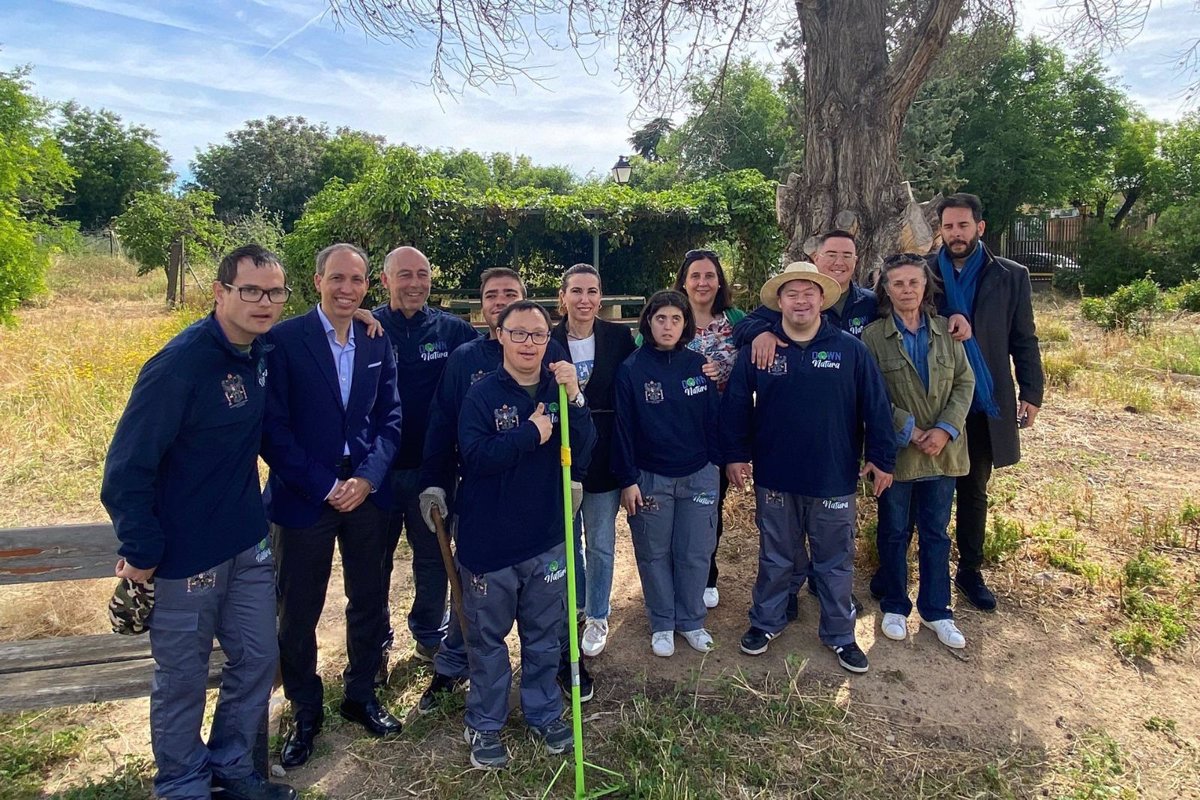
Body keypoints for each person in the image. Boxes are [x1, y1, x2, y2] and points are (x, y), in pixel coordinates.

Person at [100, 244, 296, 800]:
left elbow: (318, 332)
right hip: (184, 558)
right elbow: (125, 469)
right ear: (220, 291)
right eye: (250, 290)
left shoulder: (259, 352)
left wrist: (360, 317)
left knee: (259, 659)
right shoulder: (179, 364)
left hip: (247, 544)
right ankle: (183, 783)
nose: (264, 302)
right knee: (182, 680)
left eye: (274, 292)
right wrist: (140, 549)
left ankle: (234, 773)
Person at [732, 230, 971, 619]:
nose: (840, 261)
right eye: (832, 254)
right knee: (784, 535)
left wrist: (957, 315)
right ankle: (786, 594)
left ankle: (836, 602)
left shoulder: (869, 306)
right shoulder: (787, 304)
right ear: (816, 258)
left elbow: (909, 317)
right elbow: (743, 329)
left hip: (845, 439)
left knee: (837, 532)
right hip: (786, 449)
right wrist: (761, 332)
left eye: (848, 254)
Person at [415, 268, 592, 712]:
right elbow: (443, 426)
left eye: (509, 294)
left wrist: (574, 401)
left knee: (544, 609)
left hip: (540, 515)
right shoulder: (466, 361)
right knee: (479, 608)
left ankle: (555, 676)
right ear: (489, 315)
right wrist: (434, 481)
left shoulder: (552, 362)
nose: (499, 300)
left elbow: (580, 437)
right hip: (484, 507)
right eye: (492, 296)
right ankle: (455, 666)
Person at [261, 243, 404, 769]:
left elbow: (390, 417)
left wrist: (366, 478)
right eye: (337, 278)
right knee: (298, 610)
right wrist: (324, 485)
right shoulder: (284, 341)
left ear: (368, 286)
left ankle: (361, 694)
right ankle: (304, 709)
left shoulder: (375, 338)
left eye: (357, 280)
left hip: (366, 492)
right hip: (304, 496)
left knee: (369, 599)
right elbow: (271, 430)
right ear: (317, 280)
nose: (347, 289)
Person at [722, 262, 894, 674]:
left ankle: (839, 634)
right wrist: (735, 455)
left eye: (809, 293)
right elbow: (734, 408)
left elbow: (876, 407)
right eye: (792, 294)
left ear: (822, 299)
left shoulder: (850, 350)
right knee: (777, 556)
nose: (801, 301)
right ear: (779, 301)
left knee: (834, 560)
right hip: (776, 475)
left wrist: (882, 457)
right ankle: (766, 621)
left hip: (833, 477)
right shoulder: (760, 352)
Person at [455, 300, 597, 769]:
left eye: (538, 335)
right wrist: (530, 435)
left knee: (543, 635)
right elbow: (474, 457)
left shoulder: (558, 390)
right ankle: (486, 723)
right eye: (518, 334)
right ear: (500, 336)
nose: (529, 344)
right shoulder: (481, 394)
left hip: (546, 538)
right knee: (488, 641)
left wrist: (575, 397)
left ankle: (543, 711)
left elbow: (585, 448)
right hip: (490, 544)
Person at [931, 193, 1043, 611]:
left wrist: (1032, 391)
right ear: (939, 231)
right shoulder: (924, 273)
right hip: (934, 400)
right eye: (948, 227)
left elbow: (1023, 338)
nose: (955, 234)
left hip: (984, 399)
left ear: (980, 227)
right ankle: (913, 570)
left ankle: (970, 572)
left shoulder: (1011, 275)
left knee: (973, 489)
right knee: (925, 488)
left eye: (963, 226)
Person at [373, 246, 479, 675]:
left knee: (433, 558)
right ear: (385, 281)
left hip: (432, 470)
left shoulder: (453, 331)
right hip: (374, 472)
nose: (415, 283)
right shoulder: (368, 328)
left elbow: (492, 359)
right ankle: (374, 648)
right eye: (404, 275)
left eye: (422, 274)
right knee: (372, 564)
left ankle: (427, 637)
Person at [861, 254, 975, 649]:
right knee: (893, 532)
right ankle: (894, 605)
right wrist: (909, 431)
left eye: (914, 282)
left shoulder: (949, 331)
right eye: (897, 284)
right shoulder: (873, 337)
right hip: (901, 455)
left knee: (936, 533)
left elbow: (964, 382)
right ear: (886, 290)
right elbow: (871, 395)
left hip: (943, 454)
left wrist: (944, 430)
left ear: (926, 286)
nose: (906, 290)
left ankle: (937, 611)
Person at [615, 290, 722, 657]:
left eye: (676, 319)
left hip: (699, 474)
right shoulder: (631, 369)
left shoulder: (699, 366)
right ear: (648, 322)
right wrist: (628, 479)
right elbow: (623, 429)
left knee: (695, 551)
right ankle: (662, 621)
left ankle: (691, 620)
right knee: (654, 553)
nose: (668, 325)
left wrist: (717, 466)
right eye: (661, 318)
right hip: (650, 478)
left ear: (685, 324)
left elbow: (714, 421)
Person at [550, 264, 635, 658]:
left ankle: (599, 614)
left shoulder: (619, 338)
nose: (585, 300)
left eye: (592, 292)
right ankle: (579, 603)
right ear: (562, 297)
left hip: (605, 454)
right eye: (577, 291)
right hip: (561, 454)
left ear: (601, 298)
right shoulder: (547, 339)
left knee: (600, 541)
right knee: (569, 542)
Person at [671, 249, 744, 609]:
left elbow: (765, 333)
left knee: (709, 507)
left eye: (709, 275)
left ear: (719, 281)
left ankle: (707, 574)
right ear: (683, 280)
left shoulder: (736, 320)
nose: (702, 282)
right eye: (695, 275)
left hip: (721, 433)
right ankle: (671, 576)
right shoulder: (668, 318)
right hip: (675, 431)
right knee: (672, 508)